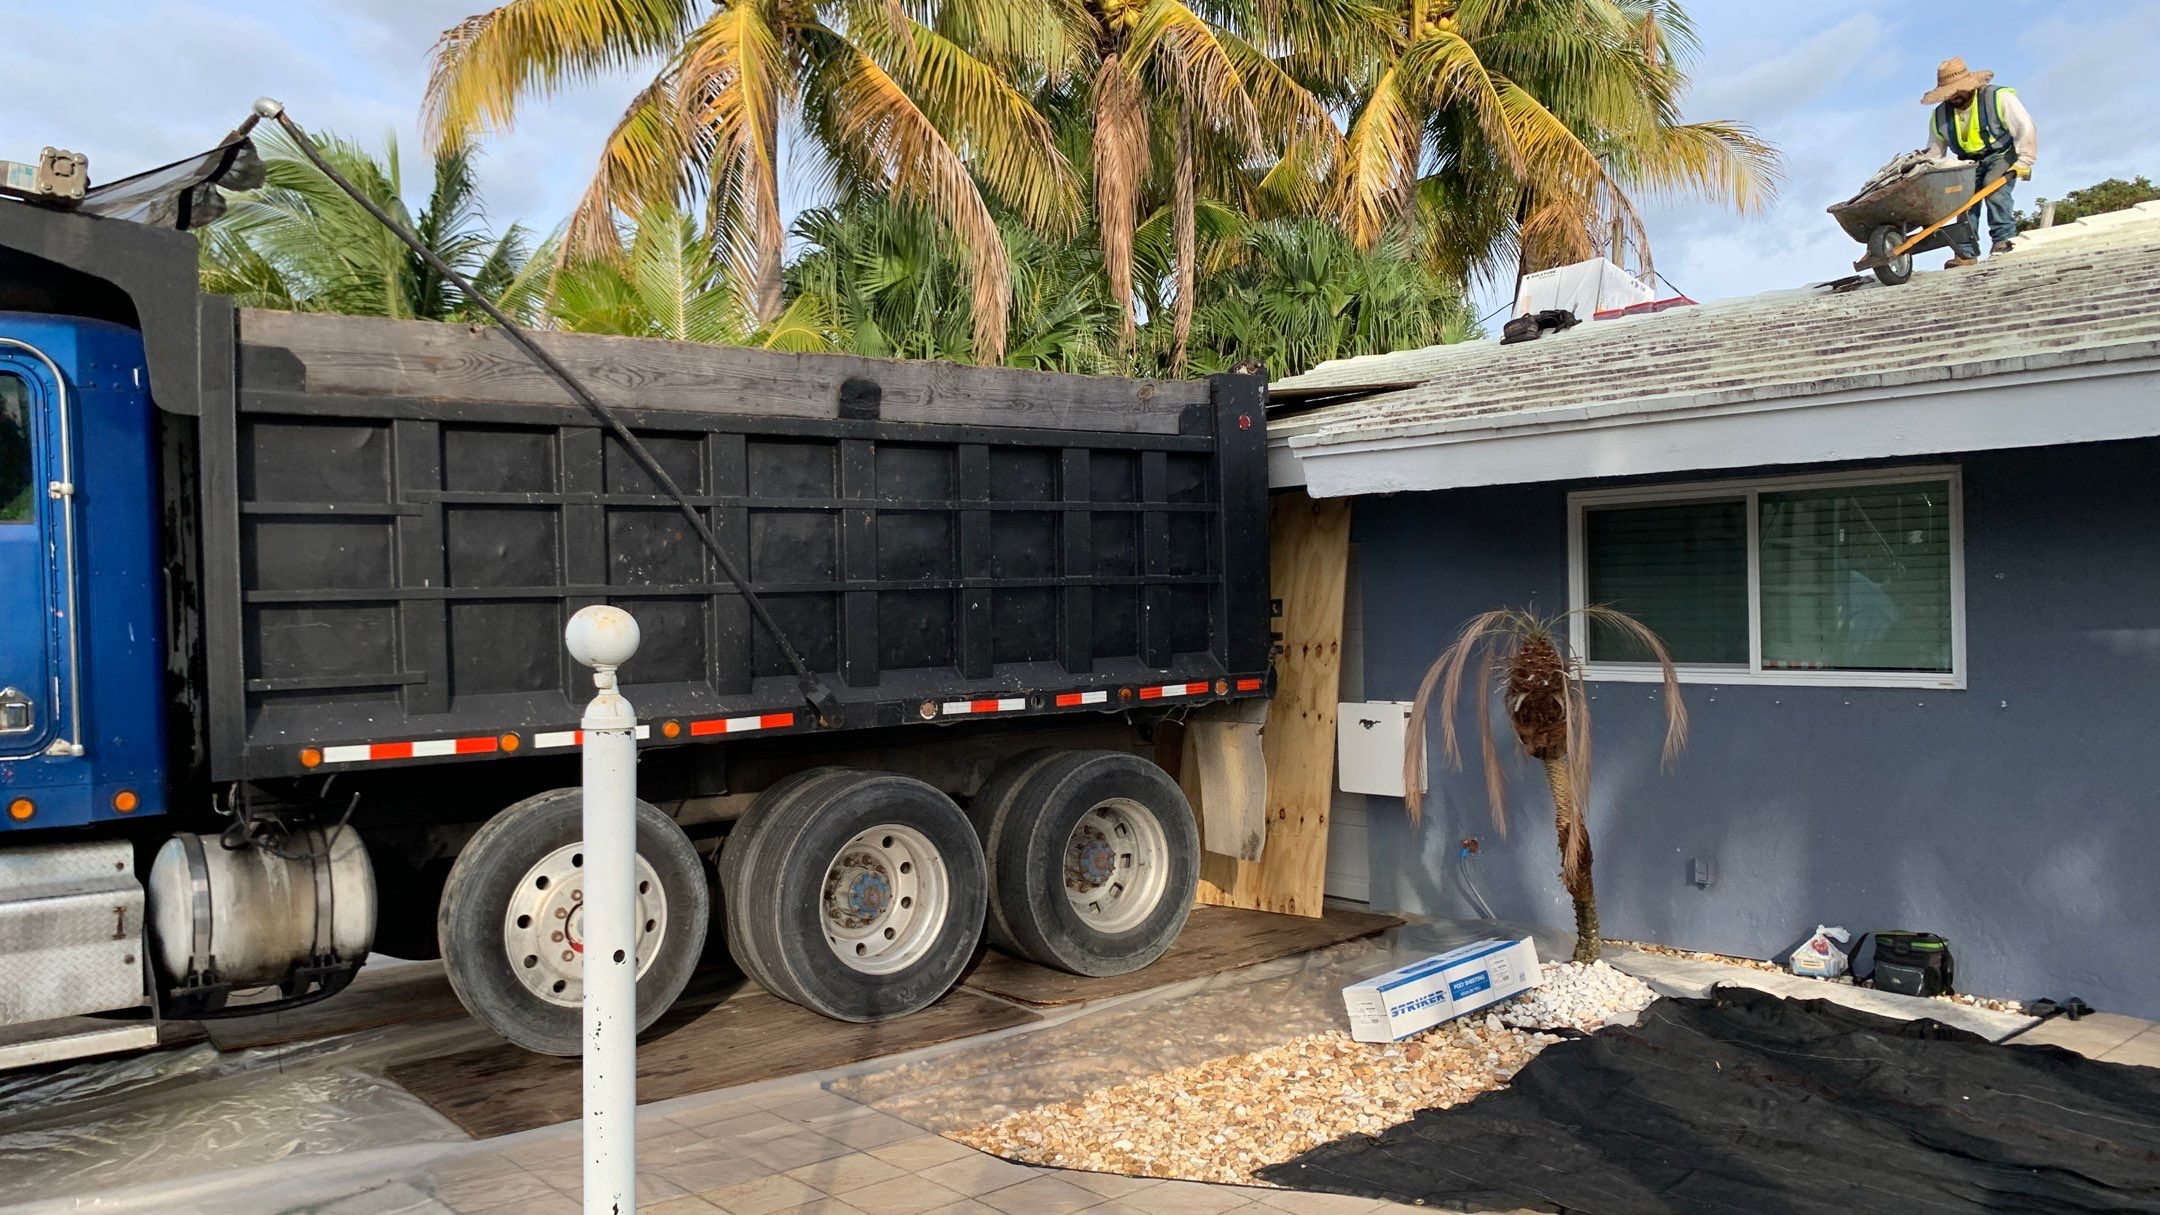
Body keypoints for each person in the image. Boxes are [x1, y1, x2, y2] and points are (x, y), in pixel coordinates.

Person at [1923, 56, 2037, 267]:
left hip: (2001, 154)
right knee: (1962, 201)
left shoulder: (1997, 98)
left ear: (1969, 85)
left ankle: (2003, 241)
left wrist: (2025, 161)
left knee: (1993, 188)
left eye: (1958, 90)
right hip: (1967, 163)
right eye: (1949, 93)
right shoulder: (1940, 116)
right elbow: (1934, 153)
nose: (1954, 96)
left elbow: (2024, 127)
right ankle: (1965, 253)